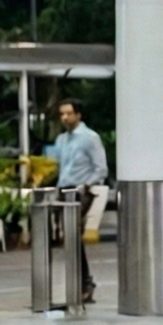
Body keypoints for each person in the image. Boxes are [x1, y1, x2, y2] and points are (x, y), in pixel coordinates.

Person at [49, 98, 106, 305]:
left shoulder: (90, 138)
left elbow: (101, 168)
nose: (64, 117)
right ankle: (81, 284)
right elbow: (59, 166)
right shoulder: (61, 139)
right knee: (69, 237)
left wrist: (86, 185)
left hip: (81, 191)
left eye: (69, 113)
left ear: (78, 115)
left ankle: (84, 283)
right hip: (63, 190)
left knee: (72, 234)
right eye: (62, 114)